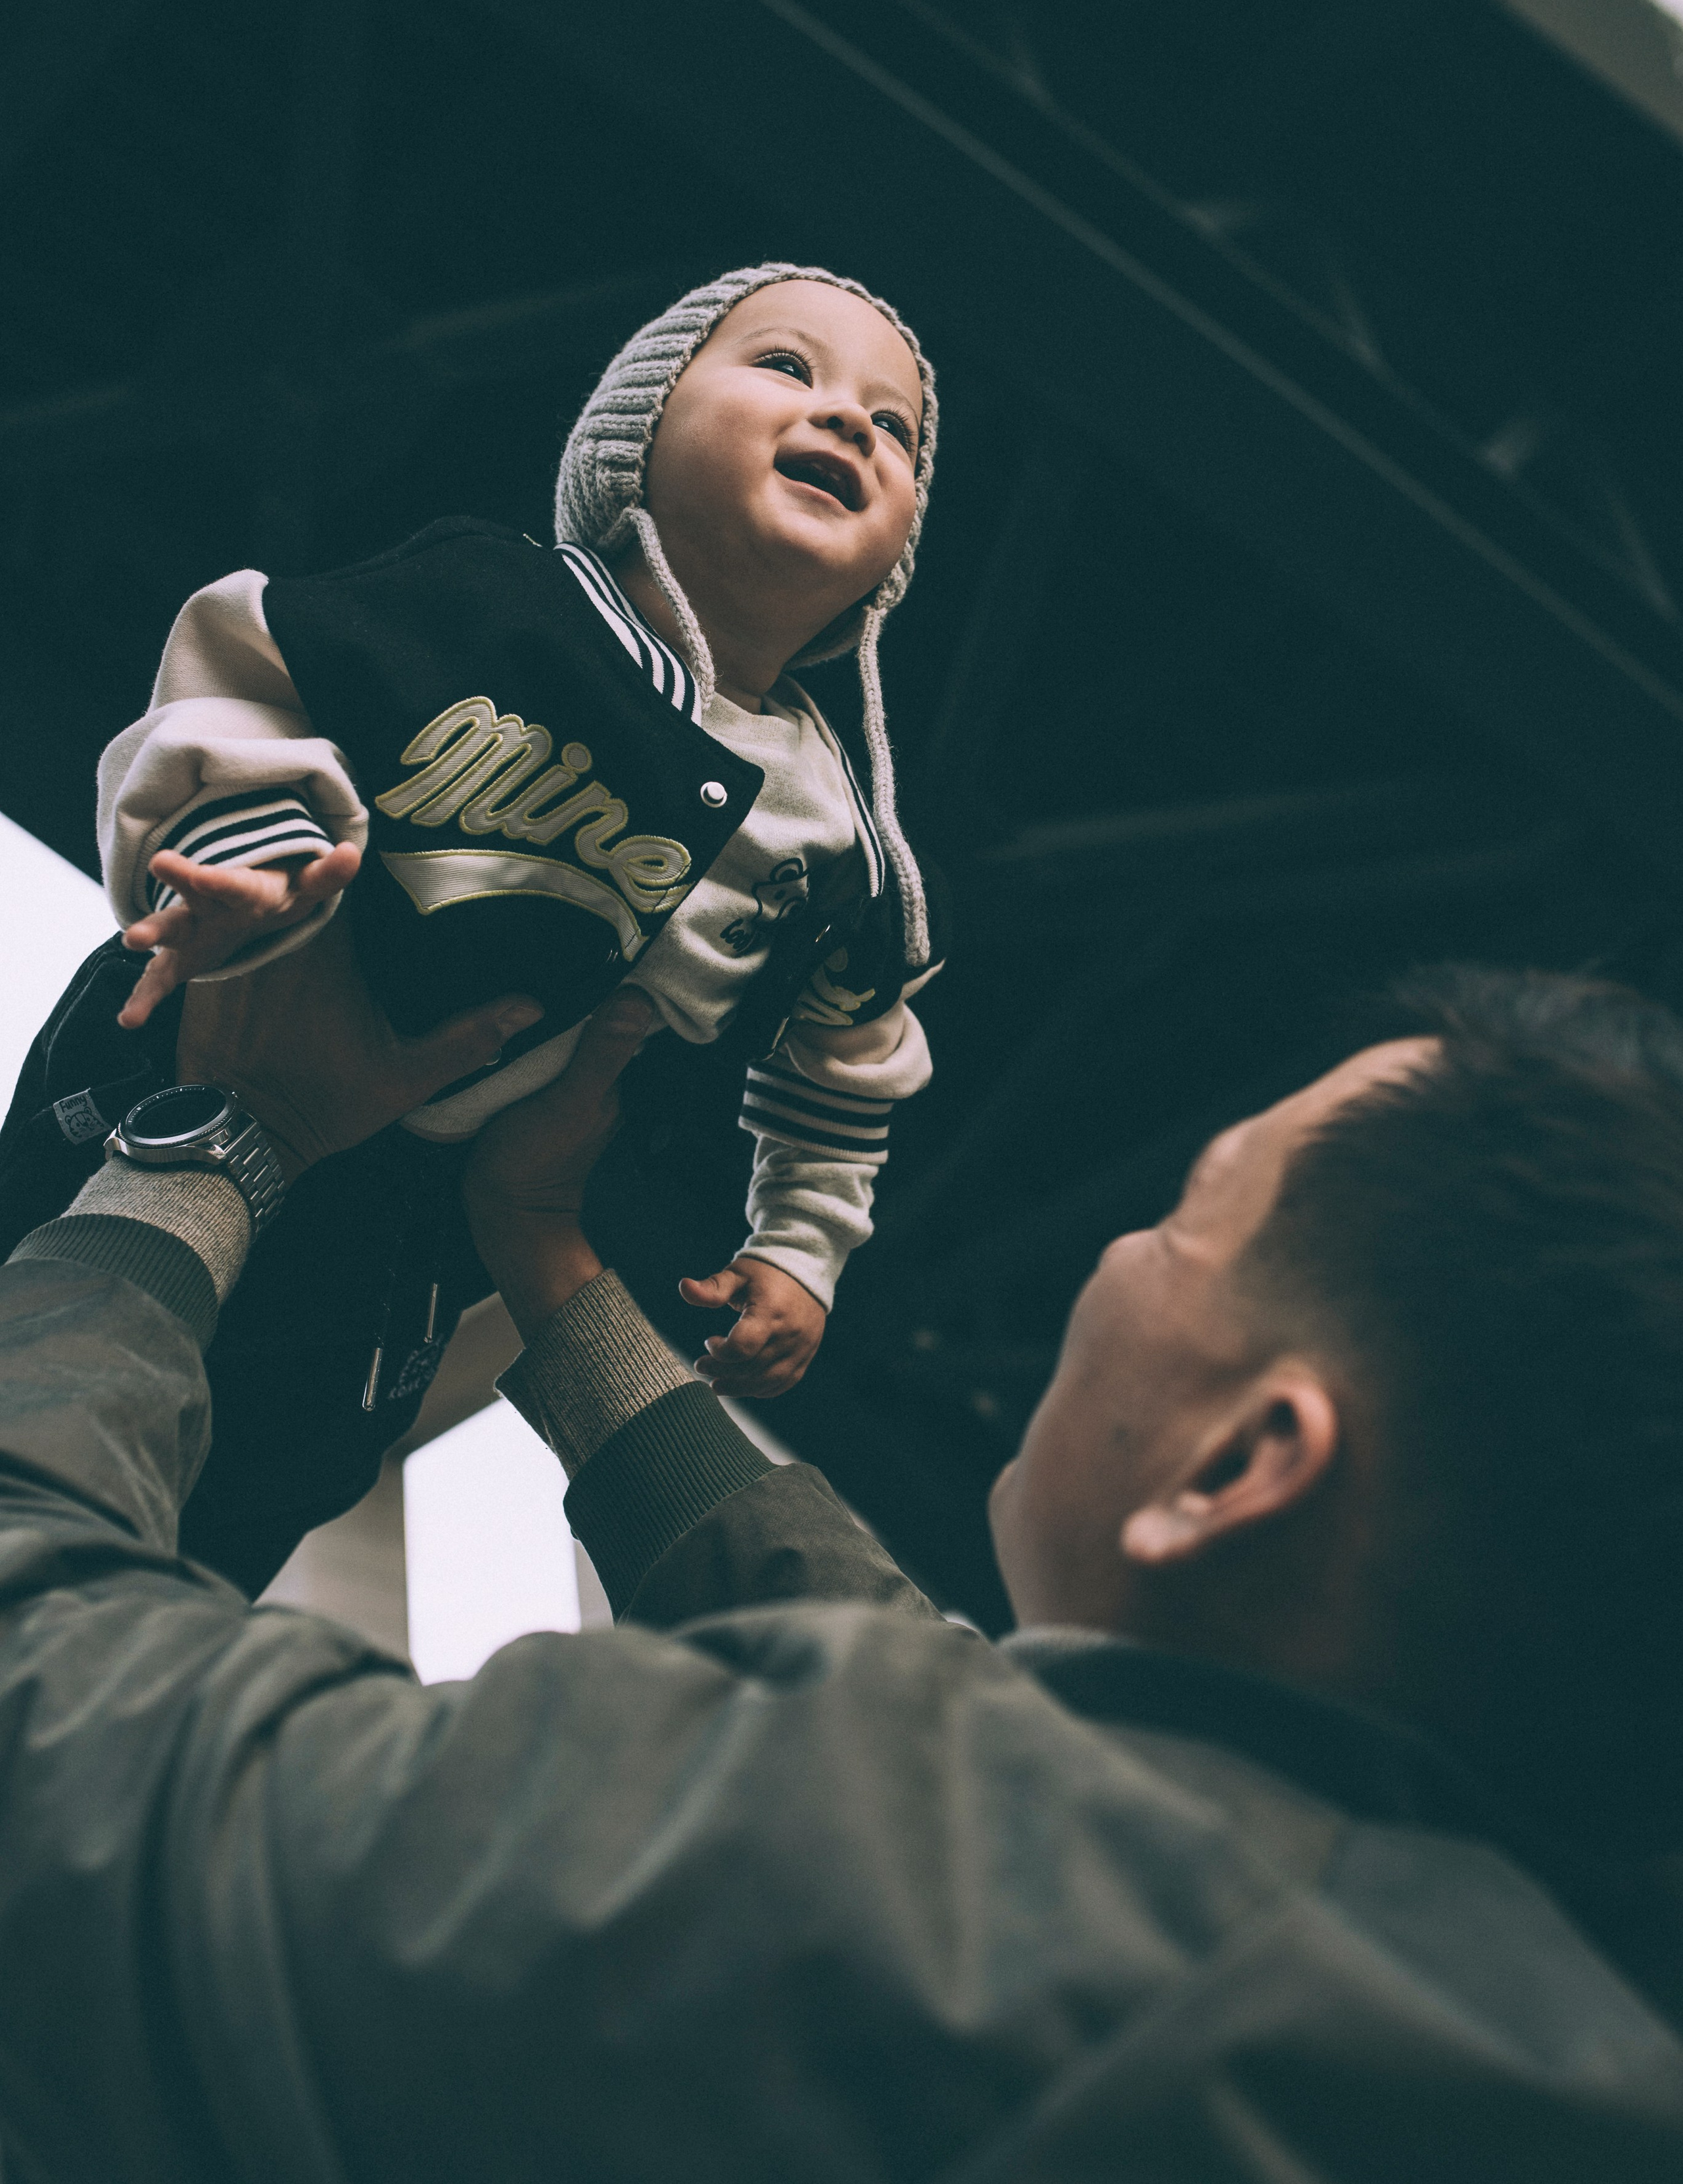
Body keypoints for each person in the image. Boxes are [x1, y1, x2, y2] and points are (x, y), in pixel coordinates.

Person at [2, 929, 1682, 2181]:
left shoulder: (902, 1913)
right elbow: (961, 1727)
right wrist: (551, 1261)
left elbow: (45, 1726)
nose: (1116, 1251)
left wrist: (223, 1139)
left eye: (1185, 1213)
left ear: (1241, 1465)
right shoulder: (1492, 2017)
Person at [0, 266, 944, 1592]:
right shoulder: (495, 602)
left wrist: (799, 1245)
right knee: (36, 1338)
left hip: (408, 1238)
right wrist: (238, 849)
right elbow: (247, 663)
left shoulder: (840, 837)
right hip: (180, 1070)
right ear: (636, 439)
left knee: (245, 1495)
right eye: (786, 368)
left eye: (891, 428)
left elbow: (850, 1051)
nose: (847, 420)